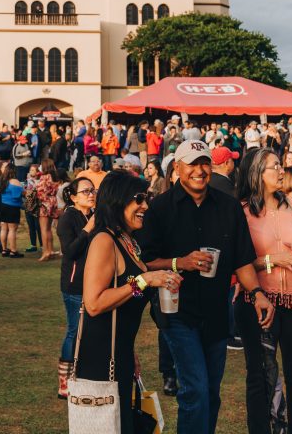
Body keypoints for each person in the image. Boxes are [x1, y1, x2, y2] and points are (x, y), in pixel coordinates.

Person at [139, 140, 274, 434]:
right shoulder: (160, 208)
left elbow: (242, 259)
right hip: (177, 312)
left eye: (204, 163)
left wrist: (257, 293)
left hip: (216, 312)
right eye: (192, 163)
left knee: (211, 393)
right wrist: (180, 263)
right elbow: (145, 263)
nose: (199, 170)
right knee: (195, 390)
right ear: (177, 168)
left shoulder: (228, 206)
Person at [75, 170, 180, 432]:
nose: (145, 205)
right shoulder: (103, 240)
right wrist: (143, 281)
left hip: (119, 350)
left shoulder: (126, 240)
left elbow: (122, 299)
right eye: (139, 199)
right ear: (118, 200)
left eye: (147, 198)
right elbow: (94, 303)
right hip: (100, 356)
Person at [235, 148, 292, 434]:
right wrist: (274, 260)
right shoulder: (242, 212)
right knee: (260, 377)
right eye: (274, 167)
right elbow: (238, 261)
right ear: (256, 174)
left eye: (279, 165)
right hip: (260, 303)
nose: (281, 170)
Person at [55, 176, 96, 398]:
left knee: (89, 330)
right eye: (86, 191)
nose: (91, 195)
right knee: (74, 330)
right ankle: (64, 381)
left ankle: (81, 374)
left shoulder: (91, 215)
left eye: (93, 191)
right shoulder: (68, 218)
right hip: (74, 284)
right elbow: (70, 251)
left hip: (94, 282)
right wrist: (88, 229)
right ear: (73, 197)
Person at [0, 163, 25, 258]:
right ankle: (13, 251)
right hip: (12, 207)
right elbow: (16, 196)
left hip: (2, 206)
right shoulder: (15, 181)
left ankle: (4, 249)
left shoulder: (2, 181)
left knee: (4, 229)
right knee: (12, 229)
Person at [36, 163, 62, 261]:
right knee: (49, 229)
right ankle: (50, 250)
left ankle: (45, 251)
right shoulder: (54, 177)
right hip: (53, 201)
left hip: (45, 203)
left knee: (43, 229)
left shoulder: (44, 177)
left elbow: (39, 192)